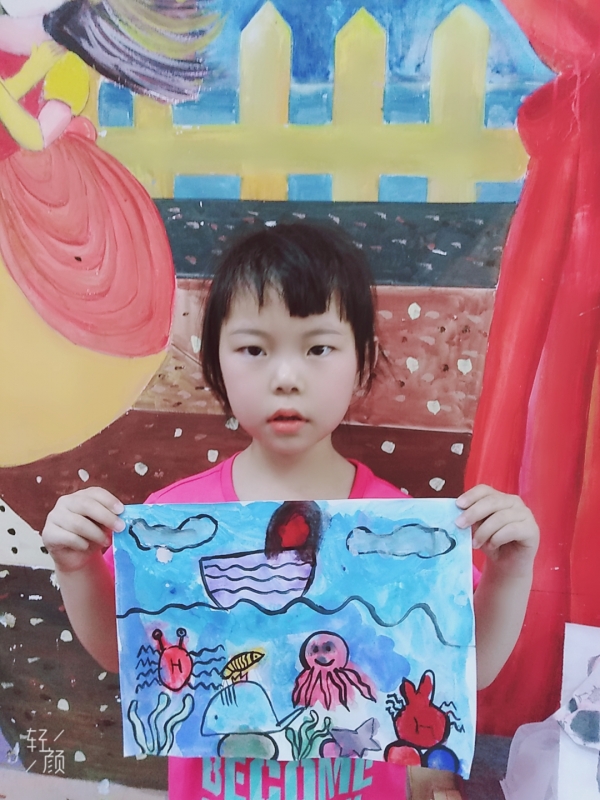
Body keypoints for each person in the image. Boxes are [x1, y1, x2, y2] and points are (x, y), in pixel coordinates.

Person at [42, 221, 540, 800]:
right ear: (216, 364)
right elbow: (120, 653)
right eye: (254, 349)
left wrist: (509, 572)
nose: (285, 378)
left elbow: (467, 667)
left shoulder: (398, 526)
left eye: (318, 348)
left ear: (361, 362)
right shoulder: (173, 517)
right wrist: (76, 567)